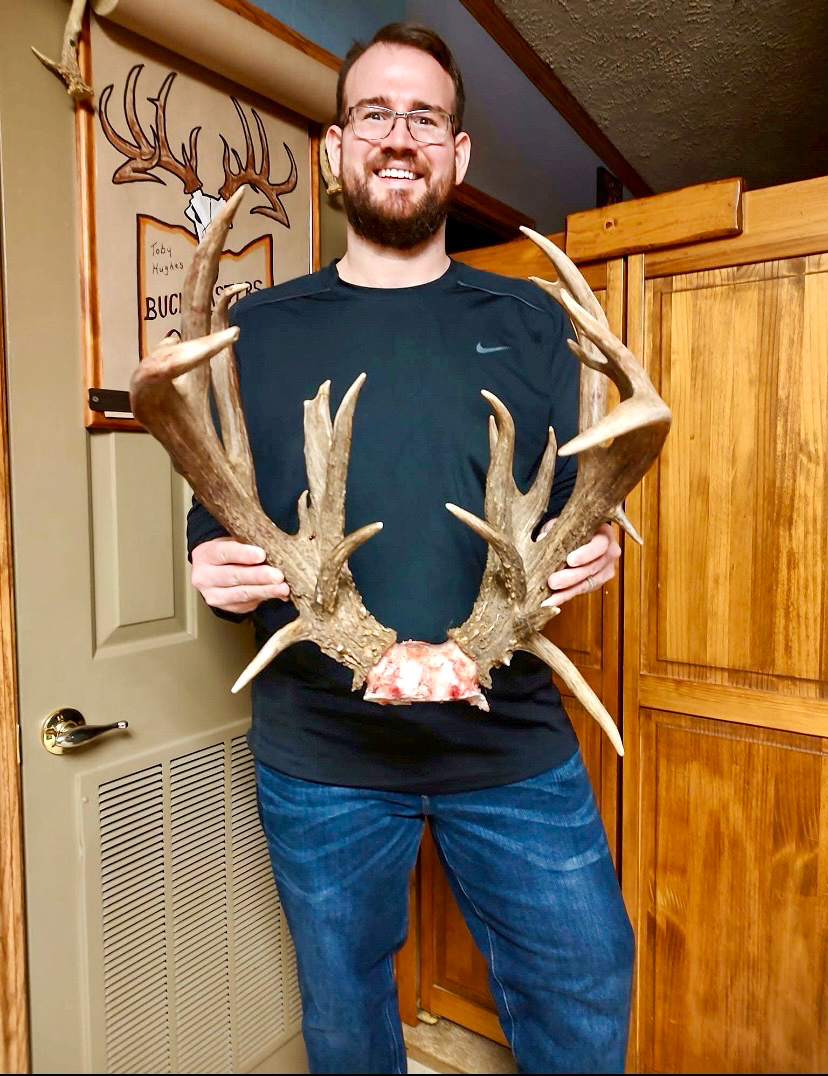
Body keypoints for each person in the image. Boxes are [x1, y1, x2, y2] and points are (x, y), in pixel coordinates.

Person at [187, 21, 632, 1075]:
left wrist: (599, 541)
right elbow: (222, 513)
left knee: (585, 990)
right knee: (345, 1021)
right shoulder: (259, 329)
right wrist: (208, 568)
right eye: (375, 114)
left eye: (425, 117)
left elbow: (576, 502)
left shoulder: (531, 319)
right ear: (339, 148)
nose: (400, 136)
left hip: (511, 739)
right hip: (324, 753)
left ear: (458, 154)